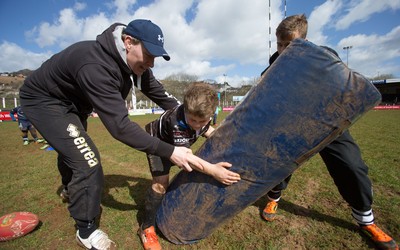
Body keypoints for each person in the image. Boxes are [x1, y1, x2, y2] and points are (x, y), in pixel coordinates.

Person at [20, 19, 228, 250]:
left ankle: (71, 188)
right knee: (87, 161)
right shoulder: (95, 65)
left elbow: (160, 95)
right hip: (45, 102)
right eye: (148, 54)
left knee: (72, 150)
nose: (151, 63)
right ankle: (86, 230)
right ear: (128, 42)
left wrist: (192, 118)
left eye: (155, 57)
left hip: (74, 106)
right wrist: (170, 151)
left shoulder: (134, 63)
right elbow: (120, 127)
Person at [260, 14, 398, 250]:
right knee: (278, 166)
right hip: (293, 127)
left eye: (289, 45)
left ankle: (366, 220)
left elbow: (344, 86)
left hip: (327, 122)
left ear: (304, 41)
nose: (282, 50)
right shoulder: (274, 64)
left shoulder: (326, 56)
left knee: (352, 166)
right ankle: (273, 199)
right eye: (279, 44)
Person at [138, 82, 241, 250]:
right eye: (193, 120)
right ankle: (146, 228)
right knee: (160, 184)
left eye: (203, 120)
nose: (197, 125)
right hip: (158, 145)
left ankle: (164, 205)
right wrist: (214, 171)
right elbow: (186, 157)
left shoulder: (201, 117)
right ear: (185, 109)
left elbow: (207, 130)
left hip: (177, 146)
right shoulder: (176, 122)